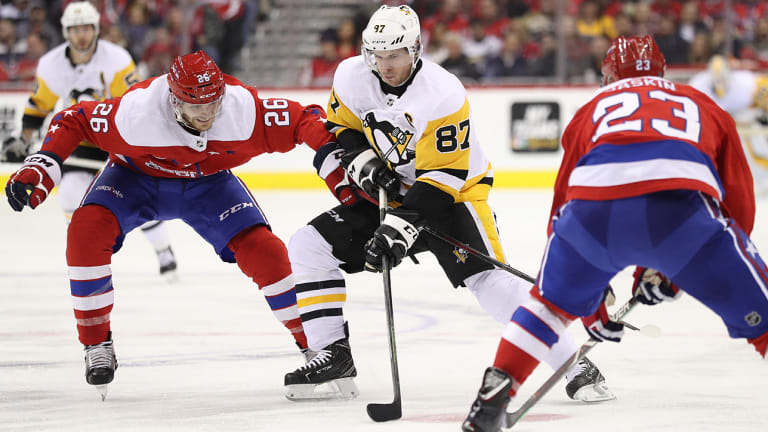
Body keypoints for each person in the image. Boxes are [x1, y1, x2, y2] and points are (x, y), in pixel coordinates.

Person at [282, 4, 613, 403]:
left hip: (455, 194)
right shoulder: (352, 75)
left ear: (415, 49)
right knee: (309, 245)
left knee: (490, 282)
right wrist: (365, 161)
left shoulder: (442, 93)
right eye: (378, 55)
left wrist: (398, 229)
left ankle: (574, 363)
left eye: (395, 55)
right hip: (394, 192)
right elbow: (342, 127)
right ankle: (332, 357)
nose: (385, 65)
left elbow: (442, 179)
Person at [4, 50, 353, 398]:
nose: (207, 113)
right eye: (195, 105)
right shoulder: (136, 113)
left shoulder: (244, 112)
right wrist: (43, 165)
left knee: (266, 253)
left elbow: (305, 119)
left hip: (208, 185)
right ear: (173, 99)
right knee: (84, 234)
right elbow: (73, 119)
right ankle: (96, 344)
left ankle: (319, 347)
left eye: (214, 102)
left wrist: (336, 164)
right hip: (134, 179)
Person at [462, 35, 768, 432]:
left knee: (546, 310)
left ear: (607, 77)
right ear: (663, 73)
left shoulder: (590, 110)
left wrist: (585, 297)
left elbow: (563, 208)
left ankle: (493, 394)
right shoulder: (703, 103)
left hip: (593, 218)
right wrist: (682, 268)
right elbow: (739, 202)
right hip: (680, 215)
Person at [0, 1, 178, 280]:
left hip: (117, 135)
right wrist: (24, 139)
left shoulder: (116, 59)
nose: (81, 35)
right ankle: (87, 249)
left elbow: (136, 102)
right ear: (65, 32)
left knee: (138, 197)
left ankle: (163, 249)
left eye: (86, 28)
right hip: (81, 140)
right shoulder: (51, 64)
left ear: (96, 29)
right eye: (75, 29)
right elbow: (39, 105)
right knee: (70, 193)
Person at [689, 55, 768, 195]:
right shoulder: (698, 85)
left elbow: (762, 94)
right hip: (713, 128)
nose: (720, 85)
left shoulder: (746, 83)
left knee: (754, 139)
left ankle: (760, 178)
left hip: (744, 128)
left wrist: (755, 110)